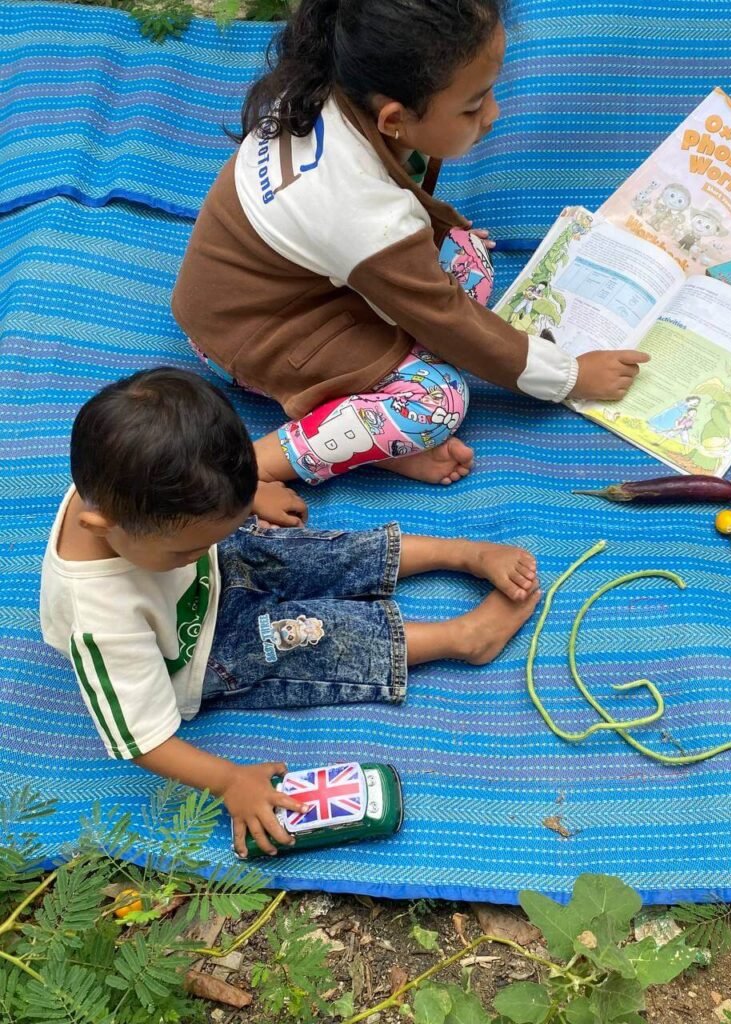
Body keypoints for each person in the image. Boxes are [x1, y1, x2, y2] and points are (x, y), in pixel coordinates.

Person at [40, 369, 540, 856]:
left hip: (213, 574)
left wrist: (243, 499)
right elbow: (142, 740)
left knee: (314, 550)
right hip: (204, 651)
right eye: (182, 550)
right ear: (100, 524)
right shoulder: (100, 620)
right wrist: (229, 781)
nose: (193, 552)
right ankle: (465, 638)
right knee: (312, 637)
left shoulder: (129, 486)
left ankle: (462, 553)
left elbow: (204, 483)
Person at [171, 0, 649, 503]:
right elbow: (448, 319)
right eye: (473, 105)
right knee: (440, 400)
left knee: (467, 254)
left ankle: (375, 435)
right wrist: (571, 376)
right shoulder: (361, 212)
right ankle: (257, 464)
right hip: (249, 335)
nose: (493, 115)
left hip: (294, 285)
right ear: (394, 118)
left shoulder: (334, 82)